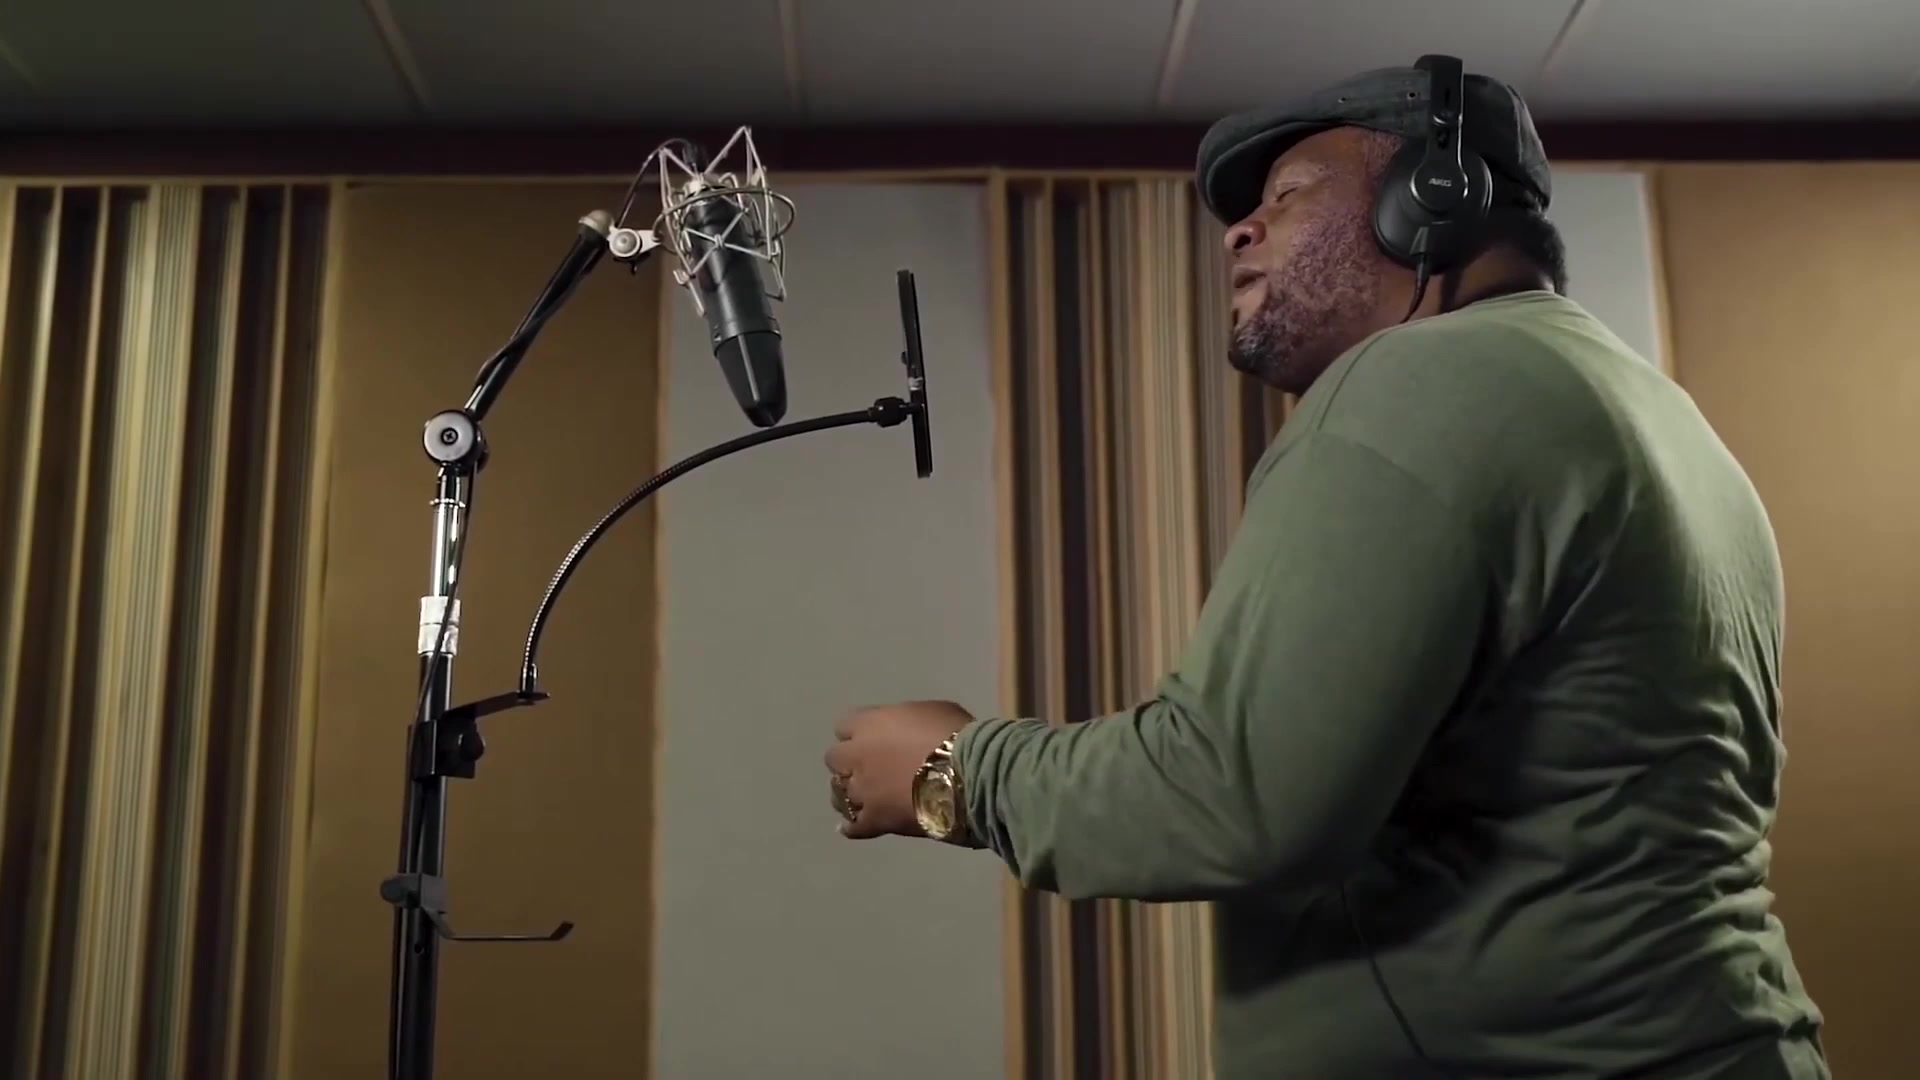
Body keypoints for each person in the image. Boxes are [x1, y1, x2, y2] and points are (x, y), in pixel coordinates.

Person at [823, 57, 1828, 1079]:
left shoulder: (1419, 383)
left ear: (1431, 198)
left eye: (1289, 195)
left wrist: (954, 771)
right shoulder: (1655, 415)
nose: (1238, 232)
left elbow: (1229, 797)